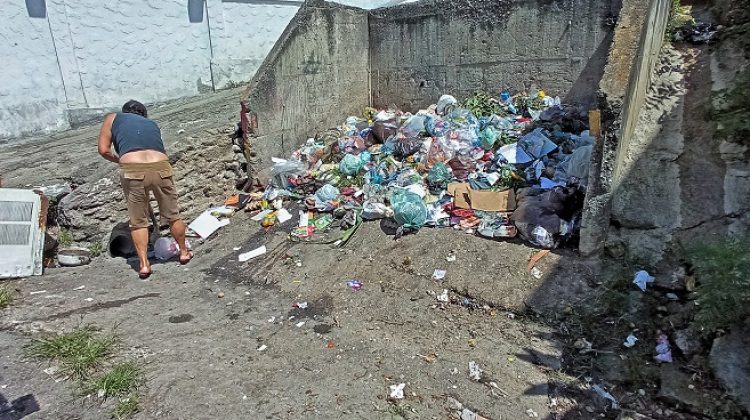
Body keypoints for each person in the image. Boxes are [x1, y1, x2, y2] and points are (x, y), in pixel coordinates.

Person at [98, 100, 192, 279]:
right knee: (173, 214)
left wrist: (120, 160)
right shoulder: (151, 123)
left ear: (124, 112)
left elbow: (103, 150)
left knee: (138, 221)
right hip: (161, 166)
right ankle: (184, 252)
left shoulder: (113, 117)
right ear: (144, 114)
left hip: (133, 170)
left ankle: (144, 265)